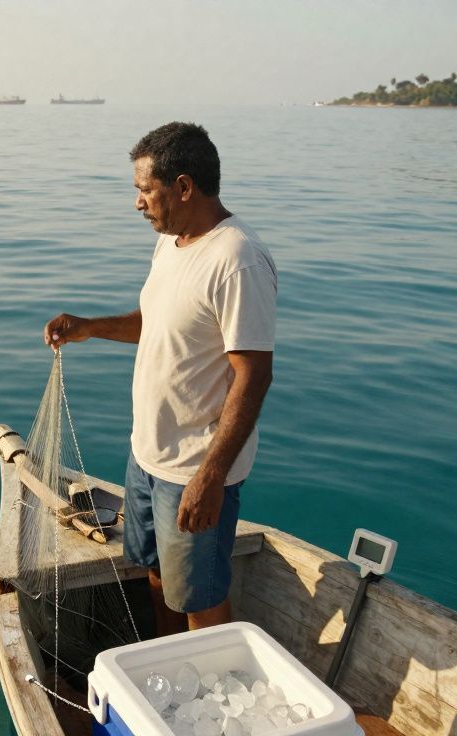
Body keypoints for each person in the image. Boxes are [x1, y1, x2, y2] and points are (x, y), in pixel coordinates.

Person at [44, 122, 276, 634]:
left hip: (194, 467)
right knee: (153, 570)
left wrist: (210, 478)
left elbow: (254, 375)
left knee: (200, 597)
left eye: (145, 190)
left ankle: (207, 695)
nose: (138, 203)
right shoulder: (172, 244)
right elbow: (159, 322)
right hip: (147, 456)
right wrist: (91, 328)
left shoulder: (237, 260)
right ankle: (167, 668)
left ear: (184, 187)